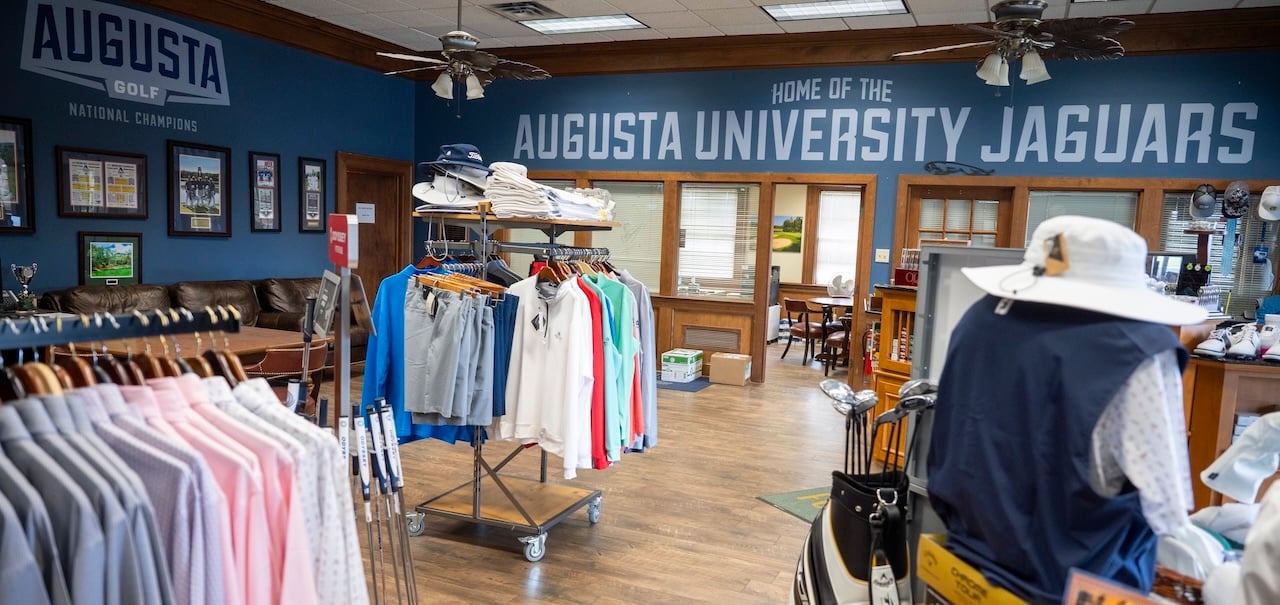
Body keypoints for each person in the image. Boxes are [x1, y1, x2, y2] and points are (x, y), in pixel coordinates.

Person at [926, 216, 1209, 604]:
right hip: (1074, 583)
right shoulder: (1136, 351)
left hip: (965, 561)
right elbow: (1165, 505)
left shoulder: (979, 319)